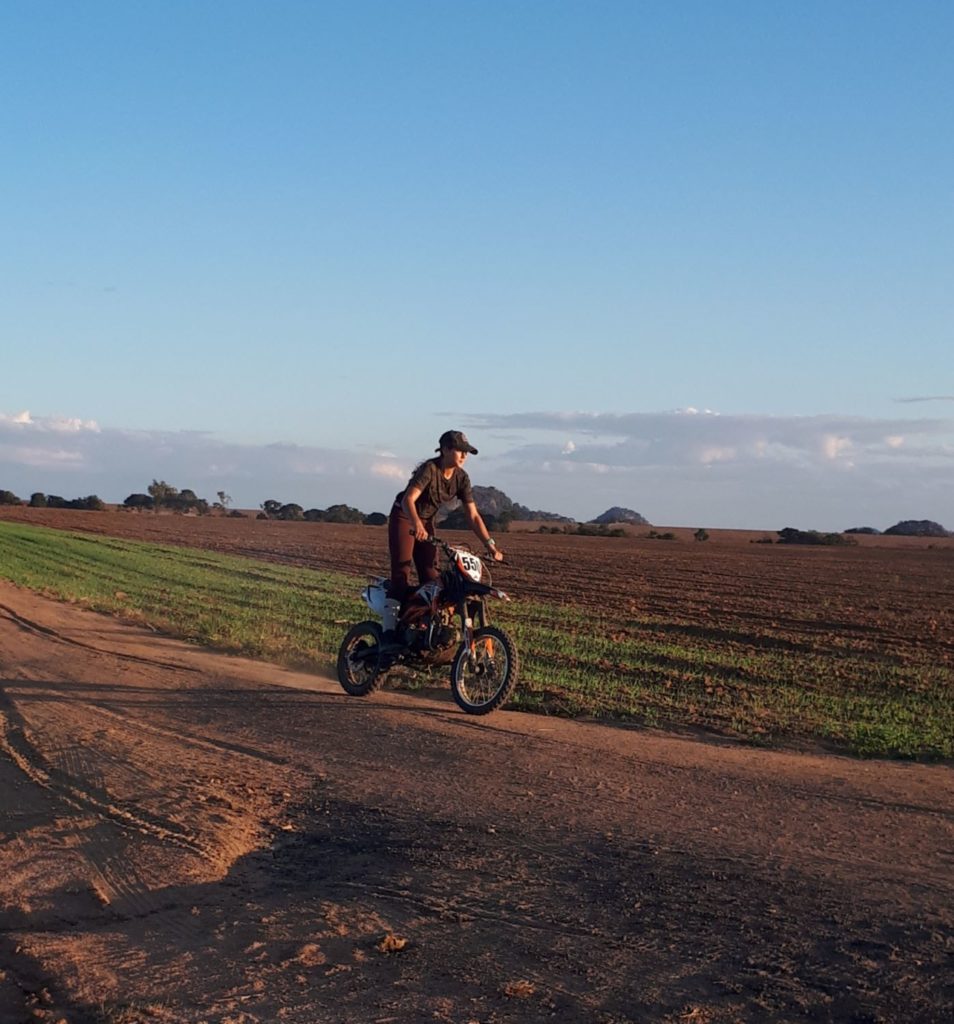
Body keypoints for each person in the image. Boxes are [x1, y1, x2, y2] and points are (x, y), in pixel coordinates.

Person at [388, 430, 504, 606]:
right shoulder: (430, 469)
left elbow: (473, 515)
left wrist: (490, 545)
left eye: (467, 452)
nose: (464, 455)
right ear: (446, 450)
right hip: (405, 516)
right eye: (460, 450)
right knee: (401, 572)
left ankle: (423, 624)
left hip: (426, 521)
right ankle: (389, 630)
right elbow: (408, 500)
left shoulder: (461, 478)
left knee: (431, 576)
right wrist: (417, 525)